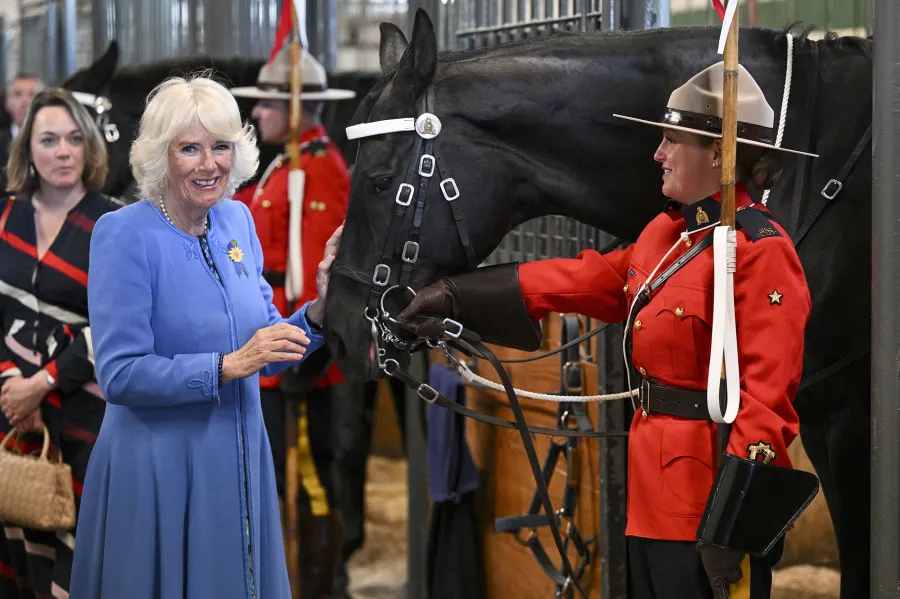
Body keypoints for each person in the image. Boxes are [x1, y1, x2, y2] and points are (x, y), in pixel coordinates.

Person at [396, 63, 815, 599]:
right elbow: (582, 278)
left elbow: (767, 403)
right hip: (650, 494)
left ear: (718, 153)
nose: (657, 155)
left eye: (670, 140)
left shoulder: (759, 252)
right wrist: (456, 294)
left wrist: (736, 525)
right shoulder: (669, 236)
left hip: (710, 503)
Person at [68, 75, 342, 599]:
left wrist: (319, 312)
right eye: (189, 149)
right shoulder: (122, 233)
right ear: (159, 155)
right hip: (158, 470)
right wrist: (225, 366)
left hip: (238, 458)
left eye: (220, 147)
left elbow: (267, 343)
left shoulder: (237, 221)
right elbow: (121, 374)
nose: (208, 163)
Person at [230, 45, 356, 597]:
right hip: (270, 360)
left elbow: (317, 279)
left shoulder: (320, 170)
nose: (256, 115)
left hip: (299, 364)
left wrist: (303, 355)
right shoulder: (283, 164)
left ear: (296, 105)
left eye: (267, 104)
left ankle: (319, 586)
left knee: (310, 485)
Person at [0, 87, 116, 598]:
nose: (63, 151)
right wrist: (12, 385)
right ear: (27, 151)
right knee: (15, 548)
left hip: (82, 417)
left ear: (90, 147)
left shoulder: (113, 224)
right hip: (9, 410)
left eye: (74, 139)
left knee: (73, 565)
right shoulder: (5, 217)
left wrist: (42, 383)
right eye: (48, 140)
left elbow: (117, 323)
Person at [1, 74, 45, 167]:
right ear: (7, 102)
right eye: (18, 94)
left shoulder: (52, 142)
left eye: (32, 94)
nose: (24, 101)